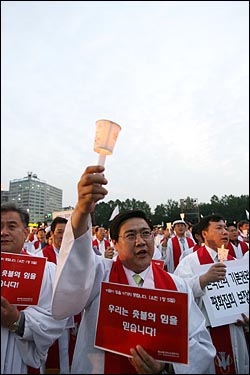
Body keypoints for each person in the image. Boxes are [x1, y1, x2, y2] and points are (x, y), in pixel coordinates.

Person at [51, 165, 215, 374]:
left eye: (146, 233)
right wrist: (82, 210)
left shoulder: (176, 286)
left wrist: (166, 365)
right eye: (130, 236)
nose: (140, 242)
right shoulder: (100, 274)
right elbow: (77, 262)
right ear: (114, 243)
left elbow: (201, 342)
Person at [174, 214, 249, 374]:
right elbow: (177, 292)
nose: (225, 232)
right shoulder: (190, 262)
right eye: (219, 228)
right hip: (207, 333)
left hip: (235, 331)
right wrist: (202, 280)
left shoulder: (234, 261)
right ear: (204, 234)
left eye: (225, 228)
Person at [1, 202, 68, 374]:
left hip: (22, 363)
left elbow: (56, 319)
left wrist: (17, 320)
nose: (3, 232)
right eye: (0, 226)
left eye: (11, 226)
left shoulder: (45, 271)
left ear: (25, 233)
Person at [42, 216, 80, 374]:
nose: (63, 236)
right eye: (59, 232)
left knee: (66, 351)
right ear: (51, 234)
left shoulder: (74, 255)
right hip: (47, 314)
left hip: (68, 314)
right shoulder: (42, 255)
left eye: (66, 232)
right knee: (46, 352)